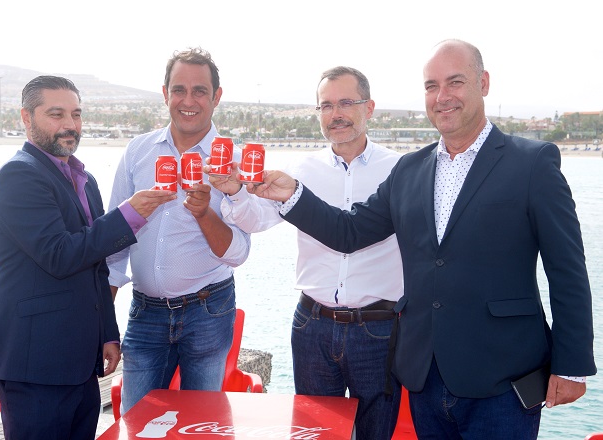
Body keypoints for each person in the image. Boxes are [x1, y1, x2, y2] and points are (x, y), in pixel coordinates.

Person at [245, 39, 596, 439]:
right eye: (431, 86)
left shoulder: (533, 162)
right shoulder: (408, 170)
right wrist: (292, 194)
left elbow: (567, 269)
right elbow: (349, 231)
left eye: (455, 82)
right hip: (425, 378)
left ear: (483, 83)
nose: (442, 96)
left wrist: (572, 365)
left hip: (503, 379)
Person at [208, 66, 403, 440]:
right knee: (314, 433)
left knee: (376, 433)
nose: (335, 114)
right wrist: (236, 192)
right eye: (326, 106)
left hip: (378, 329)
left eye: (346, 103)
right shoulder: (301, 169)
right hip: (313, 326)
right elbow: (255, 220)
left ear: (369, 107)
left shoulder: (399, 170)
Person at [0, 75, 173, 440]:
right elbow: (59, 255)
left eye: (76, 114)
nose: (70, 124)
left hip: (79, 361)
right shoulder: (18, 176)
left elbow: (96, 265)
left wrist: (107, 332)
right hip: (32, 361)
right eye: (56, 114)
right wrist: (128, 215)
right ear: (26, 117)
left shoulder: (85, 180)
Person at [107, 47, 251, 414]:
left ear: (216, 97)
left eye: (200, 91)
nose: (188, 101)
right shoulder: (138, 151)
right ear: (165, 93)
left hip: (208, 312)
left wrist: (204, 214)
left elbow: (238, 253)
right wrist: (103, 325)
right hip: (144, 312)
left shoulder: (233, 164)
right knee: (136, 424)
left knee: (201, 425)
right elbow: (113, 243)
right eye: (179, 90)